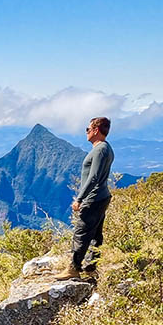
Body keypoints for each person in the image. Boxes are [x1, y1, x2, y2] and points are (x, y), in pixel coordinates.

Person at [59, 116, 114, 279]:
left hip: (94, 198)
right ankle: (91, 268)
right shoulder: (106, 148)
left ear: (96, 130)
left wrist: (80, 198)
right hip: (102, 196)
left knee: (81, 233)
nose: (86, 132)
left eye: (88, 129)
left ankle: (73, 268)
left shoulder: (100, 149)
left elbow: (94, 177)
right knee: (96, 235)